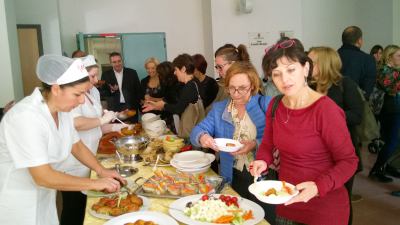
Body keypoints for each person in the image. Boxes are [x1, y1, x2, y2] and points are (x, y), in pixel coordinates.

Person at [0, 55, 124, 225]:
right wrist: (94, 183)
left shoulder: (62, 111)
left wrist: (101, 170)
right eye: (77, 94)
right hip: (18, 200)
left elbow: (77, 146)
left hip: (43, 196)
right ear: (56, 89)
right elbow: (42, 176)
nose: (81, 101)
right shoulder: (26, 117)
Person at [251, 39, 358, 225]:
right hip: (287, 203)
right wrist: (262, 160)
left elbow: (349, 162)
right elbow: (268, 144)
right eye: (277, 74)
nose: (285, 80)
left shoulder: (325, 110)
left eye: (291, 70)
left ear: (306, 68)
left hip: (324, 209)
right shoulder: (275, 105)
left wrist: (318, 187)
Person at [190, 61, 274, 222]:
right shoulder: (220, 108)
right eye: (231, 88)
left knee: (264, 219)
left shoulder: (266, 104)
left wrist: (254, 144)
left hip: (264, 175)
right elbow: (197, 130)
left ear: (253, 85)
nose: (236, 94)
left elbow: (277, 139)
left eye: (242, 88)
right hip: (233, 175)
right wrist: (203, 137)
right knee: (236, 216)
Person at [59, 55, 127, 225]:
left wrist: (115, 127)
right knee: (74, 207)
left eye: (97, 75)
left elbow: (91, 131)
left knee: (86, 205)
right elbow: (76, 123)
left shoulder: (93, 92)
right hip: (73, 162)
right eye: (92, 76)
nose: (97, 80)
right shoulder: (72, 97)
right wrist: (101, 121)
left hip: (89, 153)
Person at [308, 46, 363, 225]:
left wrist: (328, 116)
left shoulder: (345, 84)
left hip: (341, 154)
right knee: (320, 196)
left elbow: (357, 115)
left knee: (341, 198)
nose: (305, 65)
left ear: (324, 64)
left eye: (311, 62)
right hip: (316, 154)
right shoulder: (309, 87)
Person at [142, 54, 204, 137]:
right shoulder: (193, 82)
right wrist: (157, 106)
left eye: (176, 70)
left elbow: (178, 108)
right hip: (194, 128)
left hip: (193, 130)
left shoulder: (190, 86)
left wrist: (162, 105)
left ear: (183, 69)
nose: (174, 73)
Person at [369, 45, 400, 183]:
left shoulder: (393, 71)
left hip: (392, 109)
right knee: (392, 142)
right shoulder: (384, 71)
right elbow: (391, 90)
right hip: (390, 110)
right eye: (398, 55)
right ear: (389, 57)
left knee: (392, 141)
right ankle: (377, 169)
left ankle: (385, 166)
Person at [101, 52, 143, 122]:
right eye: (114, 62)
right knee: (117, 131)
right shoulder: (106, 75)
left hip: (131, 107)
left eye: (119, 61)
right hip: (115, 109)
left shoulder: (132, 73)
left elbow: (138, 90)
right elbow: (103, 92)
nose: (117, 64)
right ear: (110, 63)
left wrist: (140, 107)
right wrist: (111, 90)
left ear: (122, 61)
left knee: (133, 129)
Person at [337, 25, 376, 99]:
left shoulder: (332, 56)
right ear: (359, 40)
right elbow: (368, 88)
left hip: (333, 104)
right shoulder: (368, 59)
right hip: (357, 104)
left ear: (343, 40)